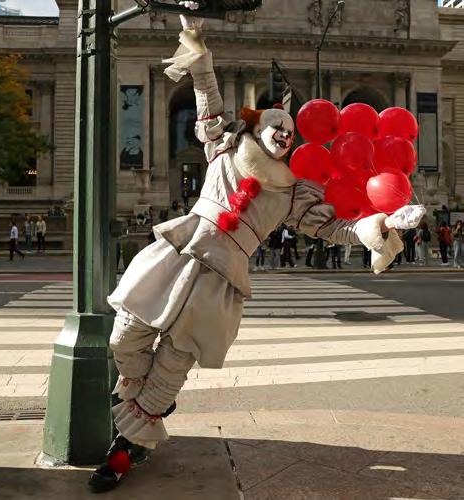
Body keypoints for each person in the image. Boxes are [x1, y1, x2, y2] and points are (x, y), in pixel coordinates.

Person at [88, 8, 425, 492]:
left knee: (171, 369)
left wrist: (380, 224)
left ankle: (125, 449)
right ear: (257, 125)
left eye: (290, 131)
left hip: (221, 279)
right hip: (178, 254)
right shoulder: (223, 148)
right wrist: (196, 46)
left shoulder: (291, 193)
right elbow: (207, 96)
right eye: (276, 124)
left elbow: (331, 228)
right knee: (124, 339)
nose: (285, 133)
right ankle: (142, 401)